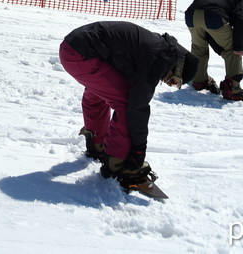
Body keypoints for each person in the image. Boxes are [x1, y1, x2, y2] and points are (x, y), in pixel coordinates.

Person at [58, 20, 198, 189]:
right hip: (81, 54)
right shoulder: (159, 57)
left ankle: (96, 141)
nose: (167, 82)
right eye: (173, 80)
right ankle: (117, 164)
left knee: (103, 90)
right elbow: (137, 106)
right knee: (124, 102)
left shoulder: (160, 48)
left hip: (72, 47)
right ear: (178, 66)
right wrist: (138, 149)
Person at [185, 0, 243, 101]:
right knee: (232, 50)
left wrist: (220, 50)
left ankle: (199, 81)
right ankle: (233, 89)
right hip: (213, 15)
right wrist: (238, 47)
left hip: (191, 15)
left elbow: (209, 35)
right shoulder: (240, 2)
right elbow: (241, 22)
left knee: (198, 49)